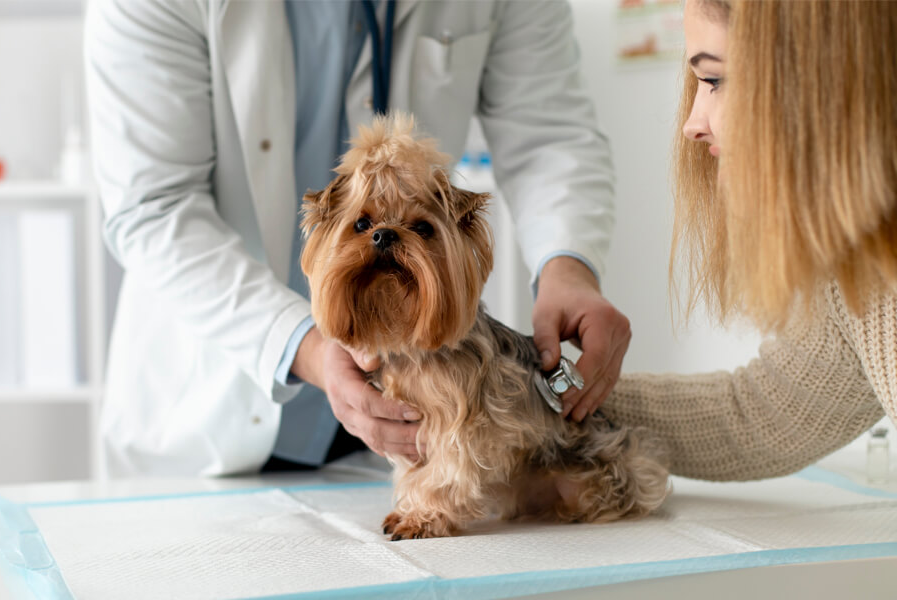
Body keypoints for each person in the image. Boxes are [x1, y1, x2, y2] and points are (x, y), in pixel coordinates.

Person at [85, 0, 631, 477]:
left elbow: (551, 135)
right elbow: (155, 206)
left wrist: (569, 266)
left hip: (404, 438)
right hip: (212, 410)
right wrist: (309, 350)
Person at [600, 0, 897, 480]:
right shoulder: (860, 270)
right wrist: (526, 393)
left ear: (823, 71)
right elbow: (760, 414)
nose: (692, 124)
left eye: (717, 80)